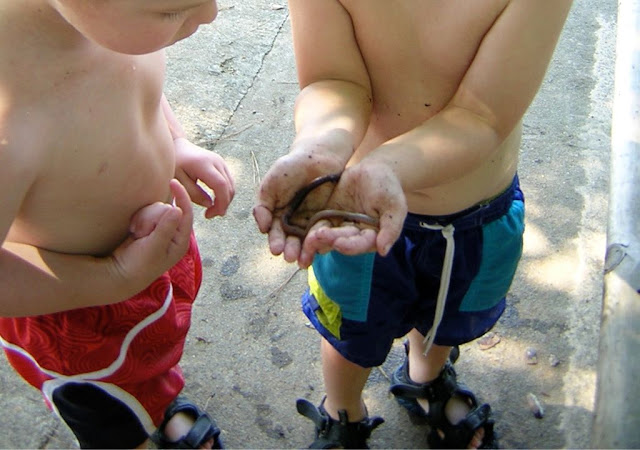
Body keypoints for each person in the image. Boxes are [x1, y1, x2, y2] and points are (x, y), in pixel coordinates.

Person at [254, 0, 573, 448]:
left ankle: (426, 380)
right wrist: (320, 146)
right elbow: (333, 78)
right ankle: (342, 412)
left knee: (444, 317)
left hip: (475, 218)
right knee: (352, 335)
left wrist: (387, 168)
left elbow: (481, 114)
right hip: (354, 217)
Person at [0, 1, 235, 448]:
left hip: (145, 276)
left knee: (150, 366)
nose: (211, 15)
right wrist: (112, 278)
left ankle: (157, 400)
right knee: (109, 419)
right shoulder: (11, 121)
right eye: (172, 12)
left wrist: (177, 142)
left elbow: (136, 77)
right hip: (80, 322)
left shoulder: (99, 23)